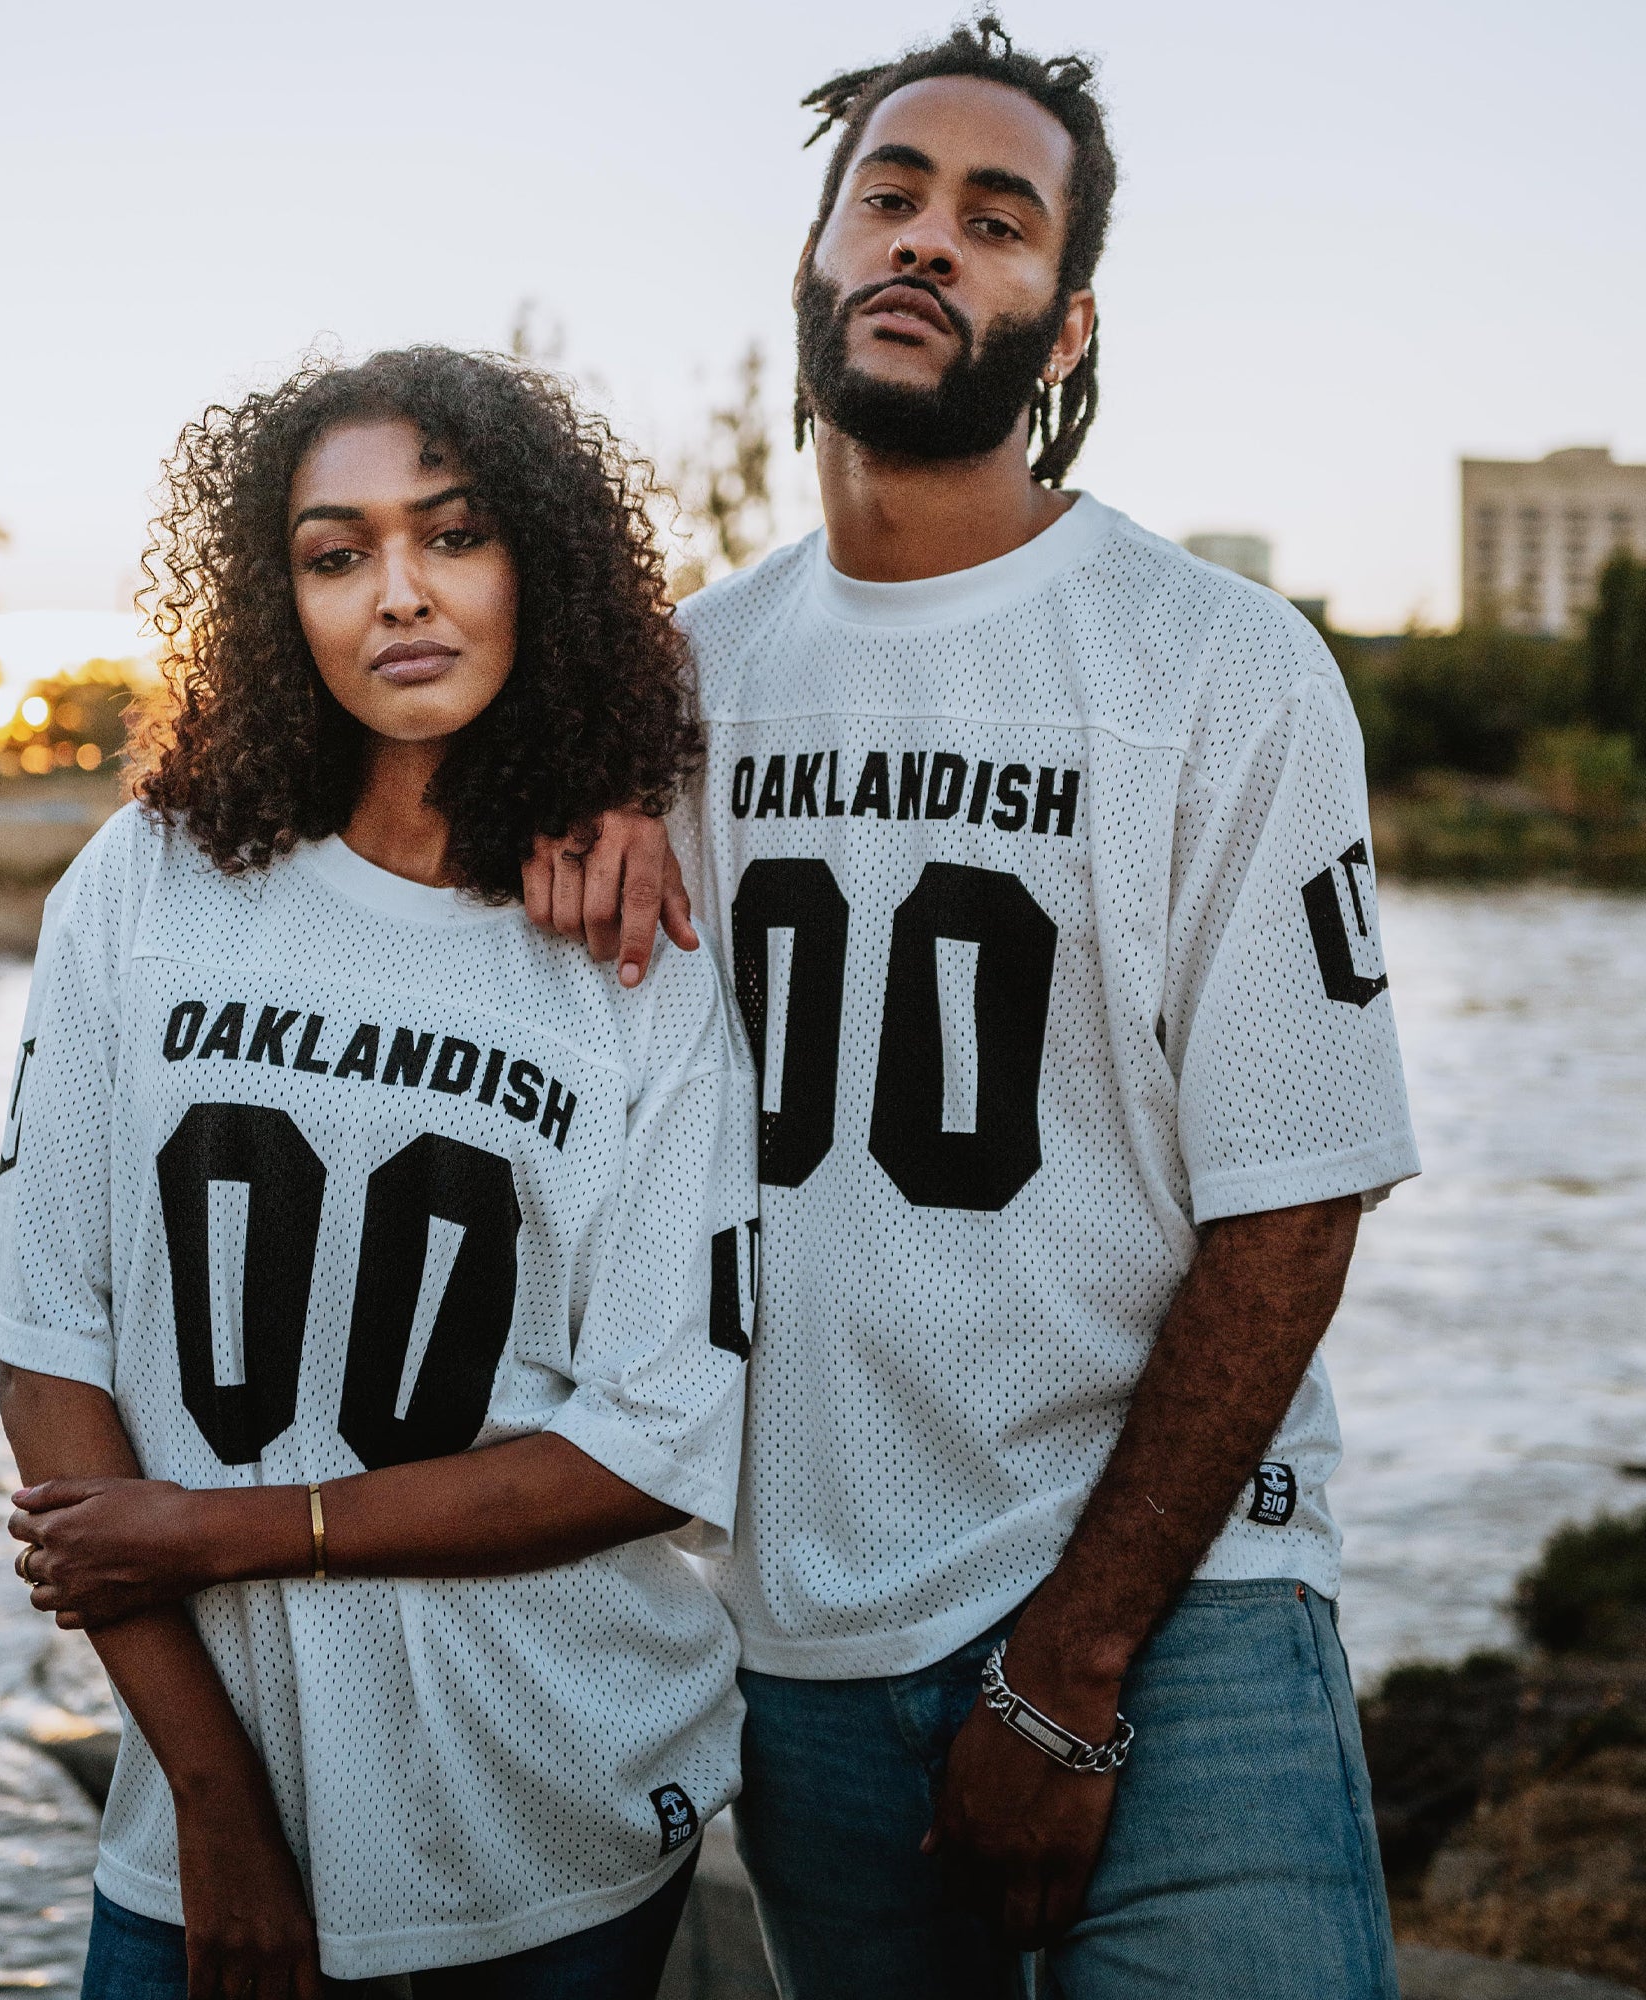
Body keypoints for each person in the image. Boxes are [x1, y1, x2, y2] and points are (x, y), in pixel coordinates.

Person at [525, 17, 1420, 1998]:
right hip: (804, 1645)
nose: (930, 241)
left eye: (995, 219)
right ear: (813, 268)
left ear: (1068, 324)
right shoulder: (667, 690)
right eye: (891, 197)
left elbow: (1294, 1203)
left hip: (1181, 1603)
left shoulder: (1219, 665)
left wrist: (1076, 1653)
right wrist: (561, 778)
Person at [0, 347, 759, 1999]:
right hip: (199, 1825)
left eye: (453, 535)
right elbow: (49, 1343)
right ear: (278, 603)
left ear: (539, 565)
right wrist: (216, 1808)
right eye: (336, 554)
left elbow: (655, 1442)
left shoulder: (637, 943)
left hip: (555, 1826)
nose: (398, 594)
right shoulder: (150, 885)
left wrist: (220, 1528)